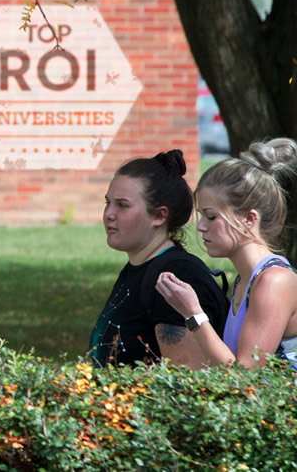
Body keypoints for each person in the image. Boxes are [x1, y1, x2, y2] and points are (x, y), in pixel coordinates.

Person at [156, 138, 297, 368]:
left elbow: (246, 377)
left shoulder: (274, 281)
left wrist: (193, 313)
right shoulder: (244, 280)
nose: (201, 226)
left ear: (250, 219)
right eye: (201, 216)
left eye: (211, 216)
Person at [89, 150, 229, 368]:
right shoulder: (137, 267)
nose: (109, 213)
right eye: (108, 202)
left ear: (159, 216)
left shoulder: (175, 276)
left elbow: (185, 383)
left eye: (123, 205)